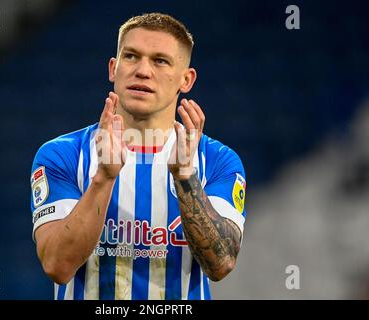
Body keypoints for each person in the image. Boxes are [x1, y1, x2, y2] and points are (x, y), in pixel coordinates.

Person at [30, 12, 247, 300]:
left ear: (186, 79)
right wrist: (104, 178)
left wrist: (185, 178)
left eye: (160, 60)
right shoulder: (63, 154)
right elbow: (57, 265)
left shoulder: (218, 160)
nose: (143, 70)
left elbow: (220, 265)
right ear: (113, 68)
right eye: (131, 56)